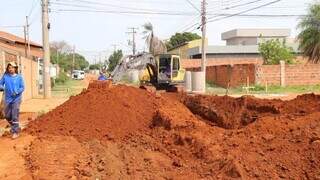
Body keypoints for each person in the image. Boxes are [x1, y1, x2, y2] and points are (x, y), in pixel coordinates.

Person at [0, 62, 25, 139]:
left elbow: (22, 87)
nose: (11, 69)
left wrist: (17, 92)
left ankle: (15, 132)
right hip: (7, 99)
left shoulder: (19, 77)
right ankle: (15, 126)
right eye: (9, 67)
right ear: (8, 69)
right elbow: (0, 84)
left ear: (15, 68)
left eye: (12, 67)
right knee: (7, 115)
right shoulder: (5, 77)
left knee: (14, 115)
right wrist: (4, 88)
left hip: (17, 98)